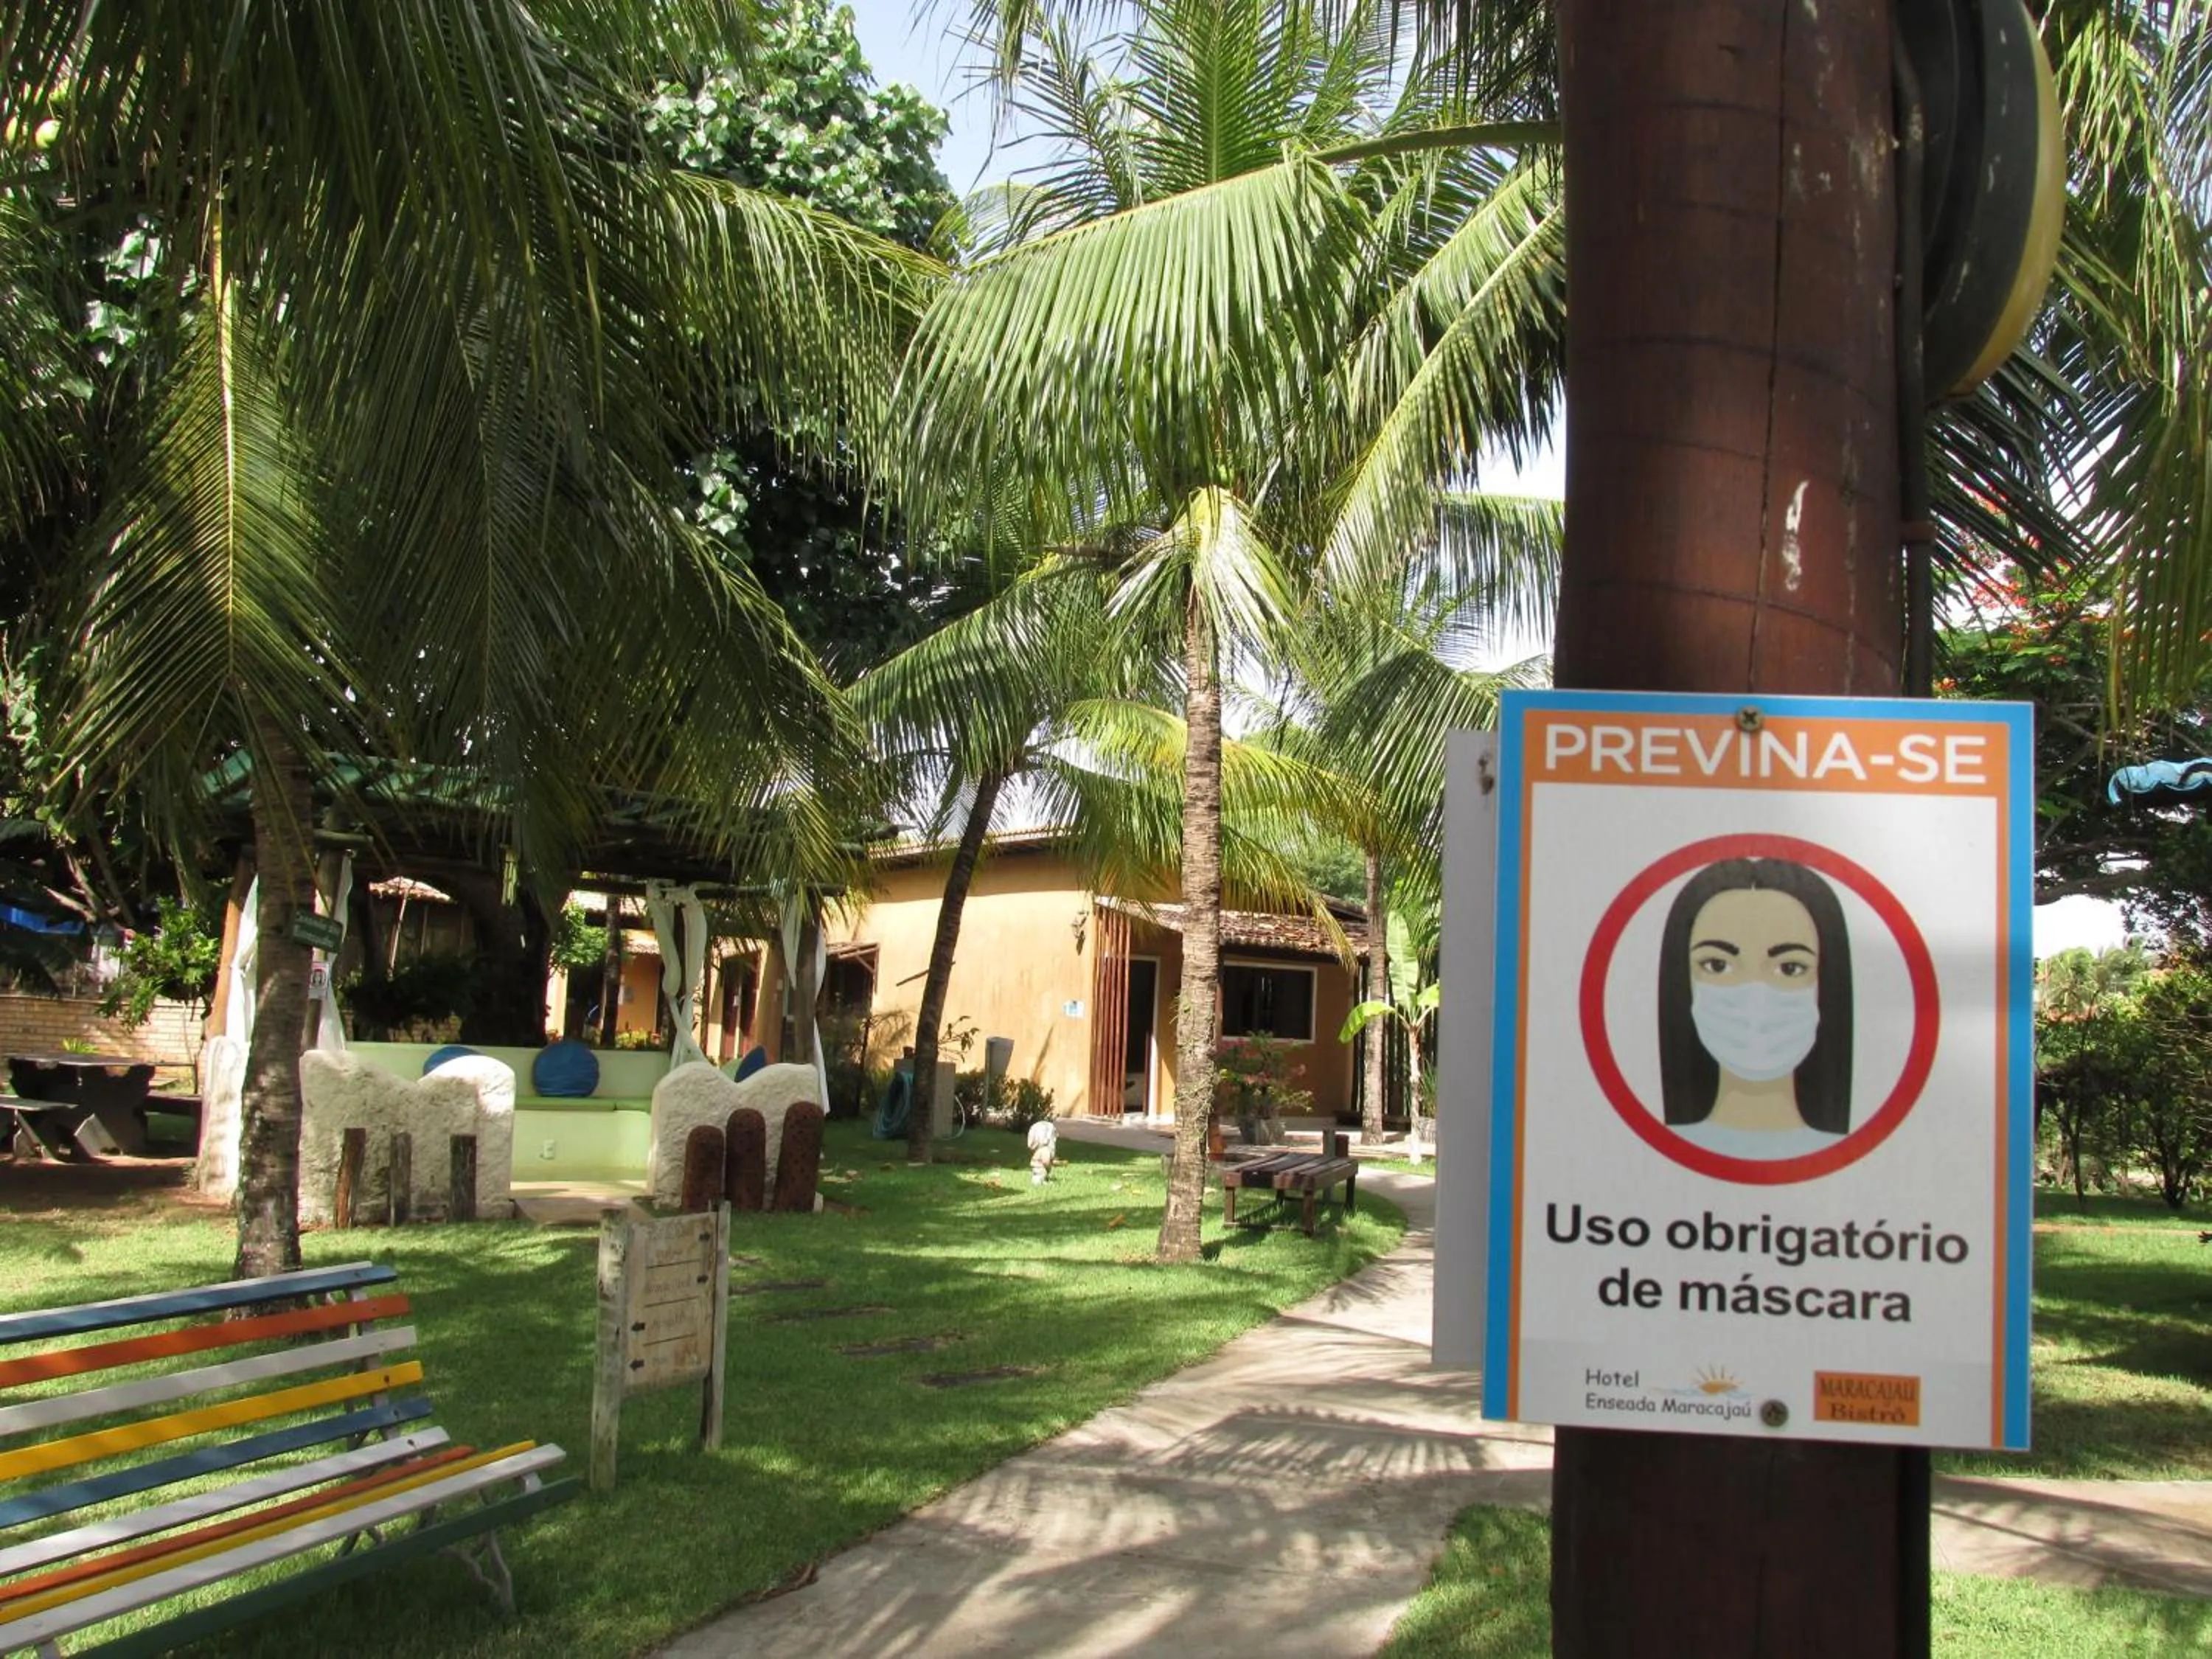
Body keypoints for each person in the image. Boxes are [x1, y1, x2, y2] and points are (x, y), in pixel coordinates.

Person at [1656, 857, 1853, 1158]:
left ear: (1824, 984)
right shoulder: (1652, 1151)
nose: (1756, 999)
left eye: (1790, 968)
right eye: (1717, 965)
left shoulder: (1853, 1155)